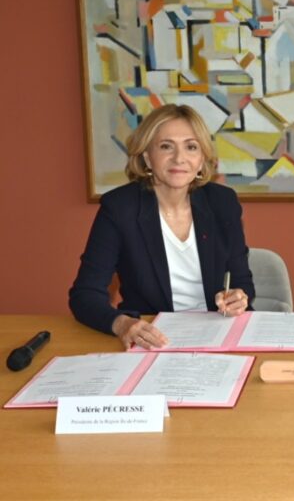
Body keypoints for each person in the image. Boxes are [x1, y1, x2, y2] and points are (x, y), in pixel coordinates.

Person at [69, 104, 254, 349]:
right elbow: (85, 295)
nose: (179, 158)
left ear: (201, 159)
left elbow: (242, 281)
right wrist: (121, 324)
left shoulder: (223, 202)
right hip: (152, 338)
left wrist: (238, 297)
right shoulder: (120, 208)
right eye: (166, 146)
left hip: (219, 333)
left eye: (191, 147)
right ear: (147, 157)